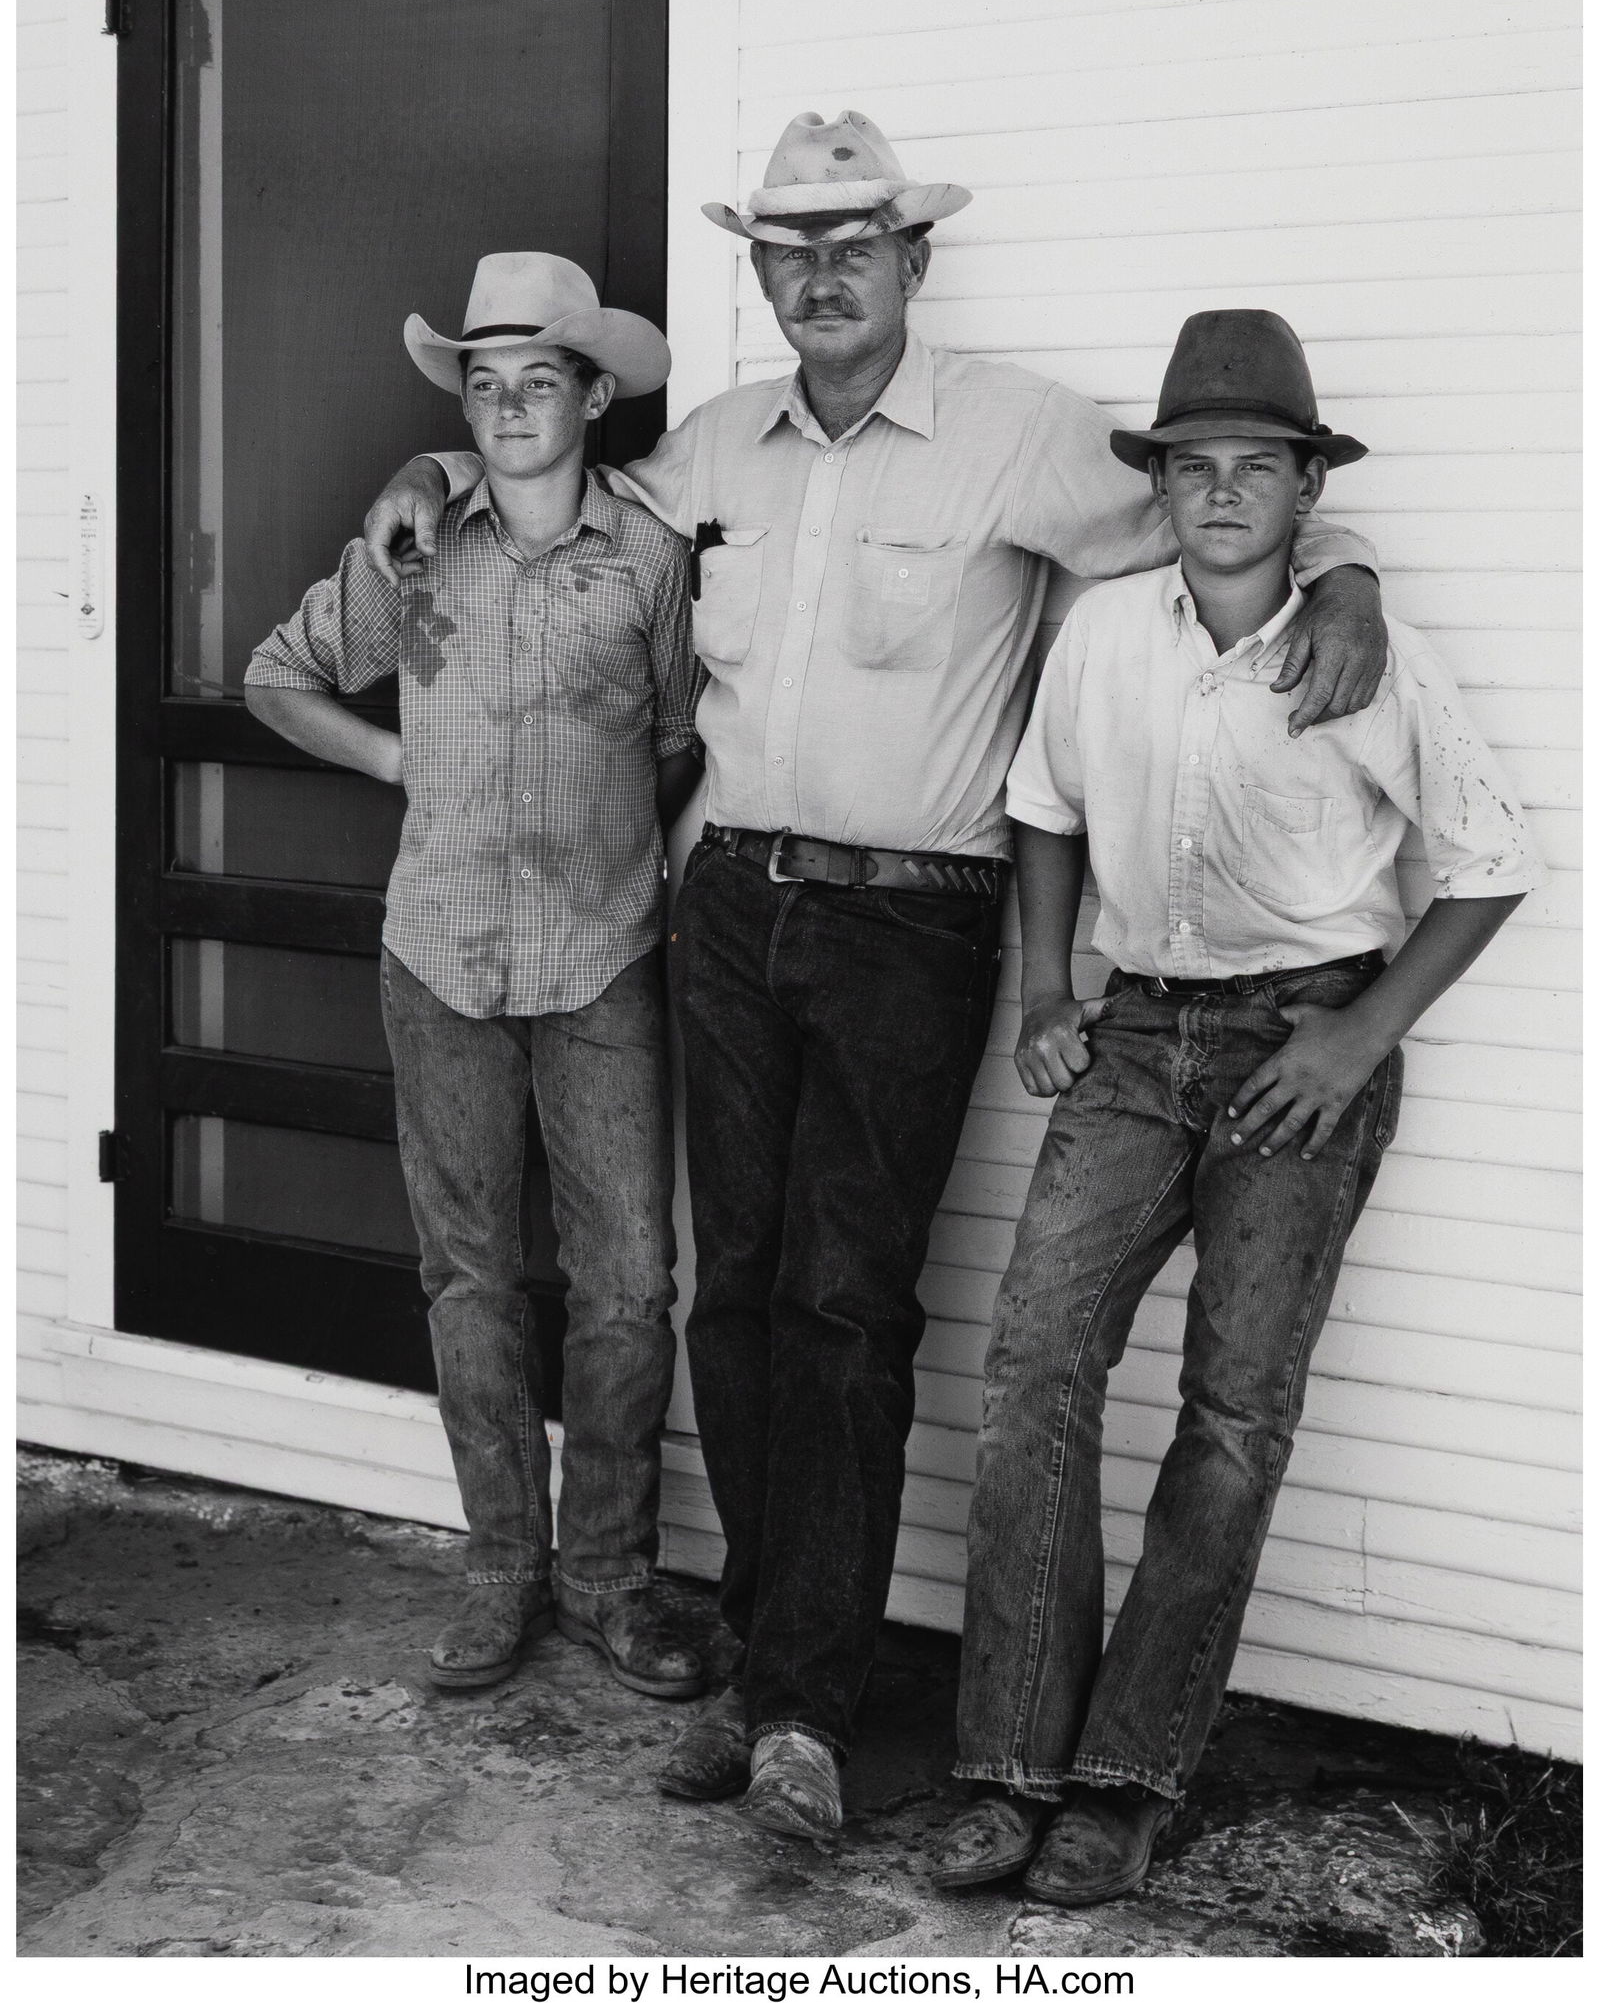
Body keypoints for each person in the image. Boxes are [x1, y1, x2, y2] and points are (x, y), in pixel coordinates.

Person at [358, 117, 1389, 1841]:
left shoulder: (1018, 434)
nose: (820, 274)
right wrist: (427, 478)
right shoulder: (710, 448)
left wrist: (1348, 564)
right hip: (728, 909)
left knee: (848, 1302)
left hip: (915, 919)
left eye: (855, 244)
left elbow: (1221, 523)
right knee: (738, 1292)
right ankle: (773, 1657)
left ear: (915, 261)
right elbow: (550, 483)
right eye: (788, 249)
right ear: (760, 275)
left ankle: (804, 1722)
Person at [934, 310, 1539, 1905]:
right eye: (1191, 468)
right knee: (1036, 1361)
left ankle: (1126, 1781)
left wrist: (1359, 1039)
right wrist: (1049, 987)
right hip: (1135, 1040)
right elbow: (1044, 810)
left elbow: (1489, 863)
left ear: (1302, 490)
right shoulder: (1107, 631)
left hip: (1299, 1046)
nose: (1219, 495)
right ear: (1161, 487)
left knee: (1233, 1417)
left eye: (1253, 469)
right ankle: (1007, 1762)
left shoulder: (1360, 651)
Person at [244, 253, 709, 1702]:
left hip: (604, 953)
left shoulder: (647, 559)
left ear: (593, 395)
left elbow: (688, 735)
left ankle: (611, 1576)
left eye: (539, 382)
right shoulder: (412, 549)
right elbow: (275, 673)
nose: (510, 408)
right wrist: (400, 758)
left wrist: (641, 854)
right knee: (471, 1279)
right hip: (438, 951)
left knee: (629, 1282)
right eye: (484, 386)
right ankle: (504, 1564)